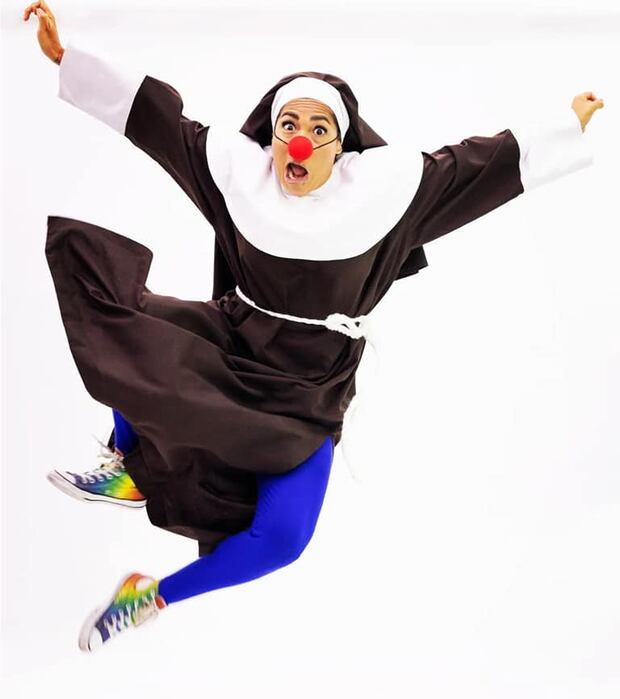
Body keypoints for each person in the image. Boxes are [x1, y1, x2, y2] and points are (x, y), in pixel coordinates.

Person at [25, 1, 604, 653]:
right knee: (126, 326)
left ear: (340, 143)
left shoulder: (388, 194)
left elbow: (481, 164)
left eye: (317, 128)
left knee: (282, 539)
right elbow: (162, 123)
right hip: (231, 346)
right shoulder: (238, 178)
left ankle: (150, 595)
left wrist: (568, 125)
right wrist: (69, 58)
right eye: (288, 125)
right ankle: (126, 462)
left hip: (308, 392)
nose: (298, 140)